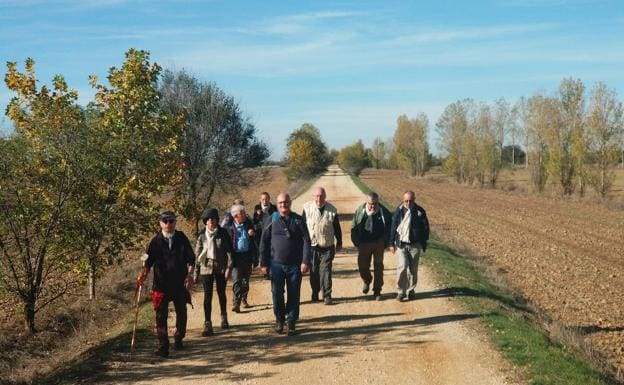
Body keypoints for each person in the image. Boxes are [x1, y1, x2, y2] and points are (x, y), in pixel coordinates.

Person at [136, 211, 195, 358]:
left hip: (179, 284)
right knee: (160, 316)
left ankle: (179, 337)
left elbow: (191, 259)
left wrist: (190, 275)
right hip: (161, 285)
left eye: (171, 221)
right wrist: (142, 275)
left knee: (182, 313)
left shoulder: (181, 238)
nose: (168, 224)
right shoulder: (155, 241)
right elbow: (147, 262)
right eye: (165, 221)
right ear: (160, 223)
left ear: (175, 222)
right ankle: (163, 345)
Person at [260, 192, 311, 336]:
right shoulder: (271, 220)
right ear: (277, 204)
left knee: (294, 294)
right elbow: (263, 242)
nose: (284, 205)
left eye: (286, 202)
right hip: (276, 265)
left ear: (290, 203)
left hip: (295, 265)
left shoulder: (298, 220)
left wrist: (305, 261)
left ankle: (292, 322)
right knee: (277, 293)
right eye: (281, 203)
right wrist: (264, 263)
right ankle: (279, 320)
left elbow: (307, 241)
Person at [194, 208, 233, 336]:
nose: (211, 221)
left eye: (213, 219)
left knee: (221, 293)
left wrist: (228, 268)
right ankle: (207, 323)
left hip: (220, 268)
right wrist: (195, 273)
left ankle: (224, 317)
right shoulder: (201, 236)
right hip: (206, 269)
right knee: (207, 296)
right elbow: (197, 255)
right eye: (208, 219)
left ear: (217, 220)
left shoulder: (223, 234)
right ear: (205, 222)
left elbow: (229, 253)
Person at [301, 187, 342, 305]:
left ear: (325, 196)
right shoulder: (307, 208)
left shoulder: (332, 210)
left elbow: (337, 228)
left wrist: (339, 242)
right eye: (317, 196)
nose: (319, 198)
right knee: (314, 272)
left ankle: (327, 294)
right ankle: (315, 291)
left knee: (326, 270)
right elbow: (302, 228)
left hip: (327, 246)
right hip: (312, 247)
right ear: (313, 196)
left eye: (321, 196)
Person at [350, 192, 392, 301]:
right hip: (364, 243)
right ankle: (367, 280)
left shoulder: (384, 212)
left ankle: (377, 291)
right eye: (370, 204)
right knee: (363, 266)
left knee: (378, 267)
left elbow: (390, 228)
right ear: (366, 202)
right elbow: (353, 227)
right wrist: (357, 242)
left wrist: (386, 242)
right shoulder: (360, 211)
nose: (373, 206)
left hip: (378, 243)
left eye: (375, 203)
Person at [390, 191, 430, 301]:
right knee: (402, 267)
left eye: (410, 201)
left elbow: (426, 228)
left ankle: (410, 290)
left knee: (413, 269)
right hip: (401, 244)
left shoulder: (420, 211)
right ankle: (401, 291)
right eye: (406, 201)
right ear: (403, 200)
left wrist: (423, 242)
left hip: (415, 245)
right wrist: (391, 243)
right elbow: (393, 226)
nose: (408, 203)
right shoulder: (398, 210)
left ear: (414, 200)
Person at [223, 204, 258, 312]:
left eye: (244, 212)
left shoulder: (248, 224)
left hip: (247, 255)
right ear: (235, 216)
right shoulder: (228, 228)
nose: (244, 215)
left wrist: (253, 234)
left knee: (245, 281)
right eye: (241, 213)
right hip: (235, 257)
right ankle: (236, 303)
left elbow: (254, 241)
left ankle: (244, 298)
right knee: (237, 280)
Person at [253, 192, 277, 280]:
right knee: (263, 252)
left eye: (266, 199)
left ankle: (271, 271)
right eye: (263, 199)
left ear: (269, 199)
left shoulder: (274, 208)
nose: (264, 201)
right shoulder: (257, 209)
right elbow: (254, 222)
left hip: (272, 233)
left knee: (271, 252)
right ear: (260, 200)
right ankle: (265, 270)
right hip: (261, 235)